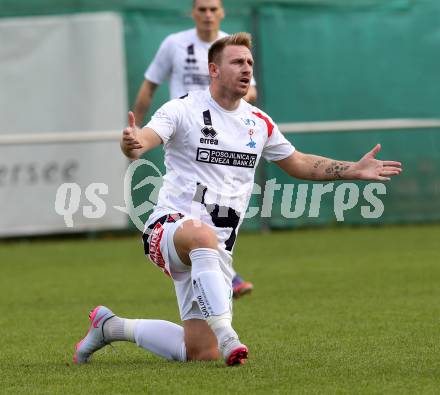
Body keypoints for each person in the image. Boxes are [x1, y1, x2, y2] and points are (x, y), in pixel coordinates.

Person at [73, 33, 402, 367]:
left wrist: (353, 170)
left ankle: (110, 327)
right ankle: (229, 336)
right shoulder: (183, 109)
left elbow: (299, 163)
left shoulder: (258, 123)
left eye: (250, 63)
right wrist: (132, 142)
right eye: (237, 62)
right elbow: (144, 140)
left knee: (200, 352)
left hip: (215, 251)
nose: (246, 69)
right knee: (200, 236)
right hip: (169, 229)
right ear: (213, 69)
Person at [134, 0, 256, 299]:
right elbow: (149, 86)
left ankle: (211, 271)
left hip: (220, 137)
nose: (208, 14)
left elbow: (250, 91)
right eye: (201, 8)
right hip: (183, 135)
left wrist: (234, 114)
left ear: (222, 12)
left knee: (215, 203)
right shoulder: (174, 44)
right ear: (193, 13)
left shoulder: (233, 48)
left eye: (213, 9)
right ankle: (214, 271)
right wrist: (136, 130)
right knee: (191, 201)